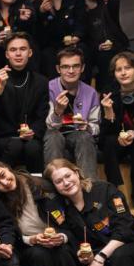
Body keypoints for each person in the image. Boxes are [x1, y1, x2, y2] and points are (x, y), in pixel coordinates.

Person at [0, 33, 49, 173]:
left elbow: (41, 115)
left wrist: (33, 132)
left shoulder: (41, 81)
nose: (18, 54)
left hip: (31, 136)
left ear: (30, 53)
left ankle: (37, 184)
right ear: (7, 54)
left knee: (33, 147)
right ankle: (1, 181)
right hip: (3, 135)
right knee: (15, 145)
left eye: (22, 49)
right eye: (13, 50)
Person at [99, 51, 134, 209]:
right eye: (118, 69)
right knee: (109, 142)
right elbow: (104, 133)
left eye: (127, 68)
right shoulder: (109, 93)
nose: (123, 73)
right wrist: (109, 113)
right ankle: (115, 190)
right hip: (117, 138)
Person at [44, 46, 100, 179]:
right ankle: (53, 187)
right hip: (53, 133)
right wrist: (58, 111)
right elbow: (47, 126)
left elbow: (96, 127)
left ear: (82, 68)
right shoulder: (48, 88)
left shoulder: (90, 92)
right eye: (65, 67)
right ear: (58, 69)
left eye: (75, 66)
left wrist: (87, 126)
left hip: (78, 134)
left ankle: (89, 186)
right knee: (53, 137)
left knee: (85, 137)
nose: (71, 71)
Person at [75, 0, 130, 92]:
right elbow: (82, 35)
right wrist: (97, 47)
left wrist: (110, 0)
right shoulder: (77, 9)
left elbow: (114, 10)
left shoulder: (106, 5)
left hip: (114, 48)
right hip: (91, 51)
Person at [34, 0, 84, 77]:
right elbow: (38, 34)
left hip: (73, 44)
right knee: (47, 55)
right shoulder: (38, 5)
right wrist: (42, 13)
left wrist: (77, 36)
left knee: (83, 49)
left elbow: (81, 24)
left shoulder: (75, 2)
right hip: (51, 48)